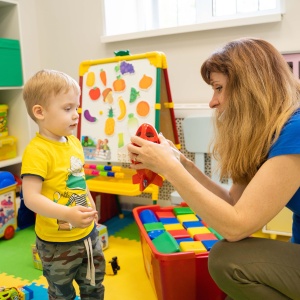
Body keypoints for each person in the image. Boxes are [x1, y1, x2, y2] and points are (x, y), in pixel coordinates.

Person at [127, 38, 300, 299]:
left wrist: (170, 168)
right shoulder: (269, 131)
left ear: (249, 89)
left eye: (218, 88)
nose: (213, 101)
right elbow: (234, 203)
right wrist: (179, 162)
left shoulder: (295, 130)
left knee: (225, 260)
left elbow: (237, 226)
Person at [21, 69, 105, 300]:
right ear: (40, 112)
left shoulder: (74, 143)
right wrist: (67, 213)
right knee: (61, 293)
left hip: (87, 235)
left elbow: (79, 180)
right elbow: (31, 198)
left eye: (76, 108)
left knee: (94, 286)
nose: (76, 115)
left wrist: (88, 205)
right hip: (56, 242)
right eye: (67, 109)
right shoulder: (37, 152)